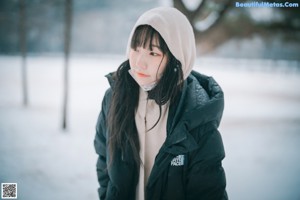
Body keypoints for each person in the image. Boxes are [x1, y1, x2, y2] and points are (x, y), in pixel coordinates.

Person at [94, 7, 228, 200]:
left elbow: (208, 191)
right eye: (136, 48)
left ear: (177, 57)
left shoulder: (196, 114)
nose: (140, 62)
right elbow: (104, 158)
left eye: (153, 53)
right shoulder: (114, 98)